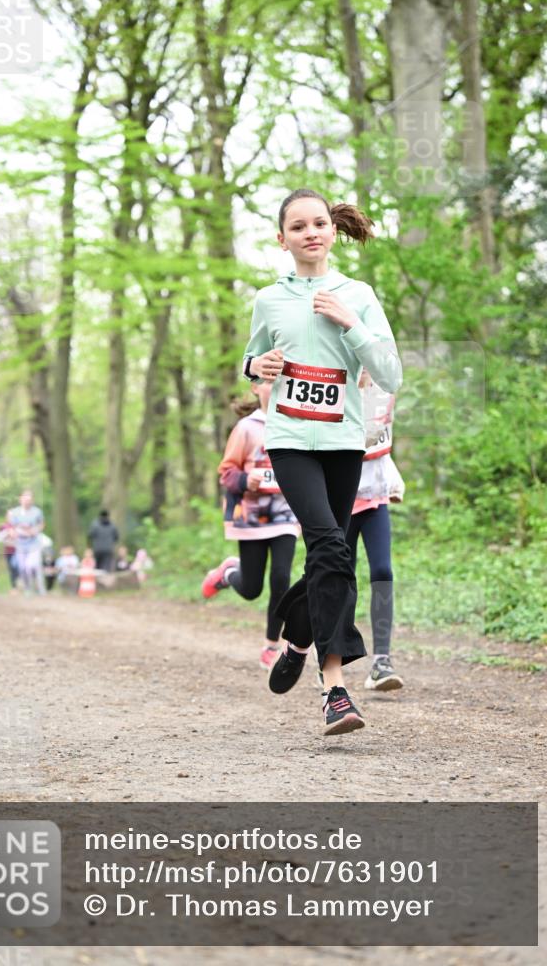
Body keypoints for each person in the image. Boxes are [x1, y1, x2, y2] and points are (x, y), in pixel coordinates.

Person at [242, 188, 402, 735]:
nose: (310, 232)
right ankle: (335, 689)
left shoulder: (356, 293)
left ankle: (299, 638)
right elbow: (253, 355)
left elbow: (391, 372)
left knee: (331, 557)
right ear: (281, 238)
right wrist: (254, 366)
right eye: (297, 226)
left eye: (318, 223)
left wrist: (349, 322)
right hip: (289, 440)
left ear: (332, 231)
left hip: (343, 443)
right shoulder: (269, 298)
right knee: (332, 545)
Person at [201, 382, 300, 669]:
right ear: (256, 388)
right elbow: (227, 472)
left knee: (281, 578)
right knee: (251, 589)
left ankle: (272, 645)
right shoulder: (246, 428)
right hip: (251, 517)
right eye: (270, 380)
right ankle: (229, 572)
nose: (277, 384)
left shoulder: (295, 423)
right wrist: (247, 480)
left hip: (285, 515)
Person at [346, 370, 406, 692]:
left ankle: (382, 661)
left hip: (373, 497)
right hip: (338, 501)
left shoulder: (383, 391)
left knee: (382, 570)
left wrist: (391, 481)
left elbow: (383, 440)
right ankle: (331, 655)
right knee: (342, 577)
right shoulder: (333, 386)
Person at [7, 490, 45, 594]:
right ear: (20, 499)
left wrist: (35, 530)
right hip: (20, 544)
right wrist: (12, 533)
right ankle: (28, 588)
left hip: (33, 544)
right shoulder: (15, 512)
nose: (27, 501)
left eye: (29, 499)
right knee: (23, 568)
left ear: (32, 501)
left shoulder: (37, 512)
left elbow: (41, 524)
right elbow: (11, 527)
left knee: (32, 566)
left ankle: (41, 589)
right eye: (25, 499)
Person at [0, 520, 19, 590]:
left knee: (17, 568)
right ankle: (14, 587)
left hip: (18, 552)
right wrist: (7, 533)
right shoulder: (3, 527)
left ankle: (20, 585)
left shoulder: (19, 525)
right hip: (8, 552)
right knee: (11, 569)